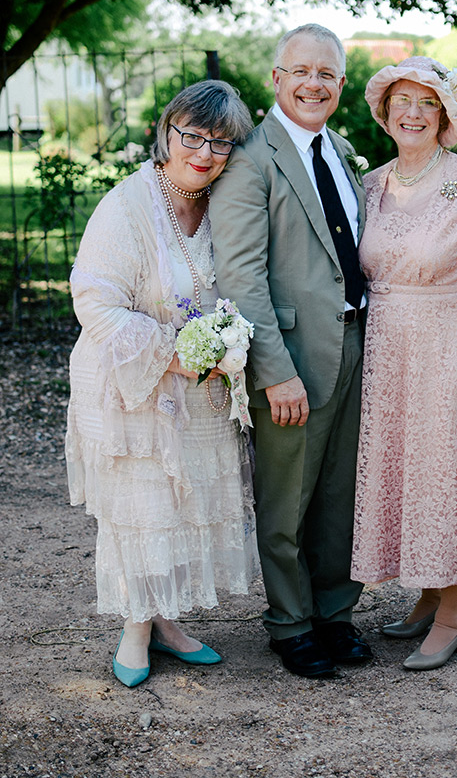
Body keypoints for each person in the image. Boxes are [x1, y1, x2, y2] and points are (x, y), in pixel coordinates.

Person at [65, 80, 259, 687]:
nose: (204, 152)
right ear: (167, 133)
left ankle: (168, 624)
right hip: (136, 385)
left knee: (184, 507)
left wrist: (222, 345)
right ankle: (135, 629)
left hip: (201, 389)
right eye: (192, 136)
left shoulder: (225, 202)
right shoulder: (128, 204)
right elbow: (94, 300)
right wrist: (171, 353)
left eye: (221, 142)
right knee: (144, 507)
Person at [350, 57, 457, 670]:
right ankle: (425, 594)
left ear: (445, 114)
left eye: (427, 102)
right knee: (407, 469)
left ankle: (452, 611)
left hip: (449, 343)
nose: (413, 112)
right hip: (387, 347)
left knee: (445, 467)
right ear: (385, 110)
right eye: (403, 99)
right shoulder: (370, 185)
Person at [210, 24, 372, 678]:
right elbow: (242, 275)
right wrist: (274, 373)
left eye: (327, 74)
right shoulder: (252, 159)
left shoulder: (339, 149)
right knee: (287, 499)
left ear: (340, 84)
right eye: (301, 71)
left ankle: (334, 615)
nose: (314, 83)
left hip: (356, 343)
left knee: (340, 495)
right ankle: (290, 624)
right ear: (276, 78)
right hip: (291, 355)